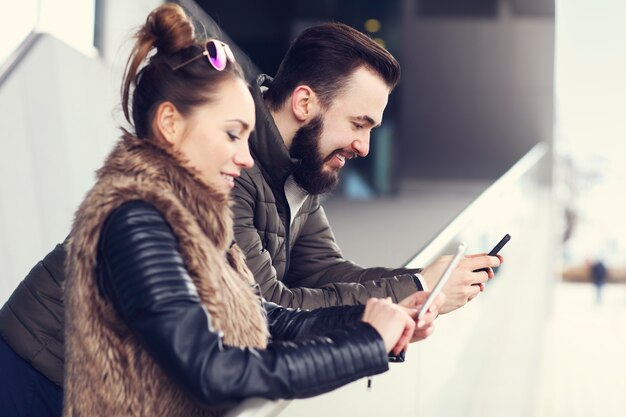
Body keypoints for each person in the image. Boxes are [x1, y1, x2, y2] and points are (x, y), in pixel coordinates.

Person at [0, 9, 501, 414]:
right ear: (171, 125)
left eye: (246, 134)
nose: (244, 156)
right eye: (231, 134)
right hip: (38, 384)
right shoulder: (139, 218)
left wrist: (387, 314)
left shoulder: (195, 212)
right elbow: (217, 368)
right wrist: (368, 339)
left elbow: (267, 314)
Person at [232, 22, 502, 309]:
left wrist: (431, 281)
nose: (364, 147)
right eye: (358, 124)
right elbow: (266, 307)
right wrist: (421, 288)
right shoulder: (229, 167)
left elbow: (323, 272)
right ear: (304, 103)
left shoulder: (300, 158)